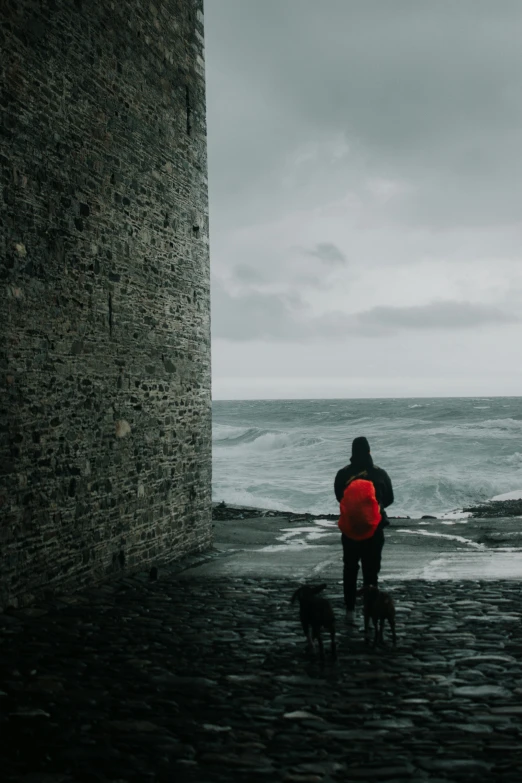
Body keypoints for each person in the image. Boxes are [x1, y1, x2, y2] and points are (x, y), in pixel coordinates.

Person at [334, 436, 394, 624]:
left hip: (350, 530)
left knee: (350, 569)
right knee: (371, 571)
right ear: (369, 451)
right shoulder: (379, 473)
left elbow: (339, 497)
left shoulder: (343, 474)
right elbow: (390, 498)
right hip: (374, 529)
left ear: (352, 453)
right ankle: (371, 610)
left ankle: (350, 611)